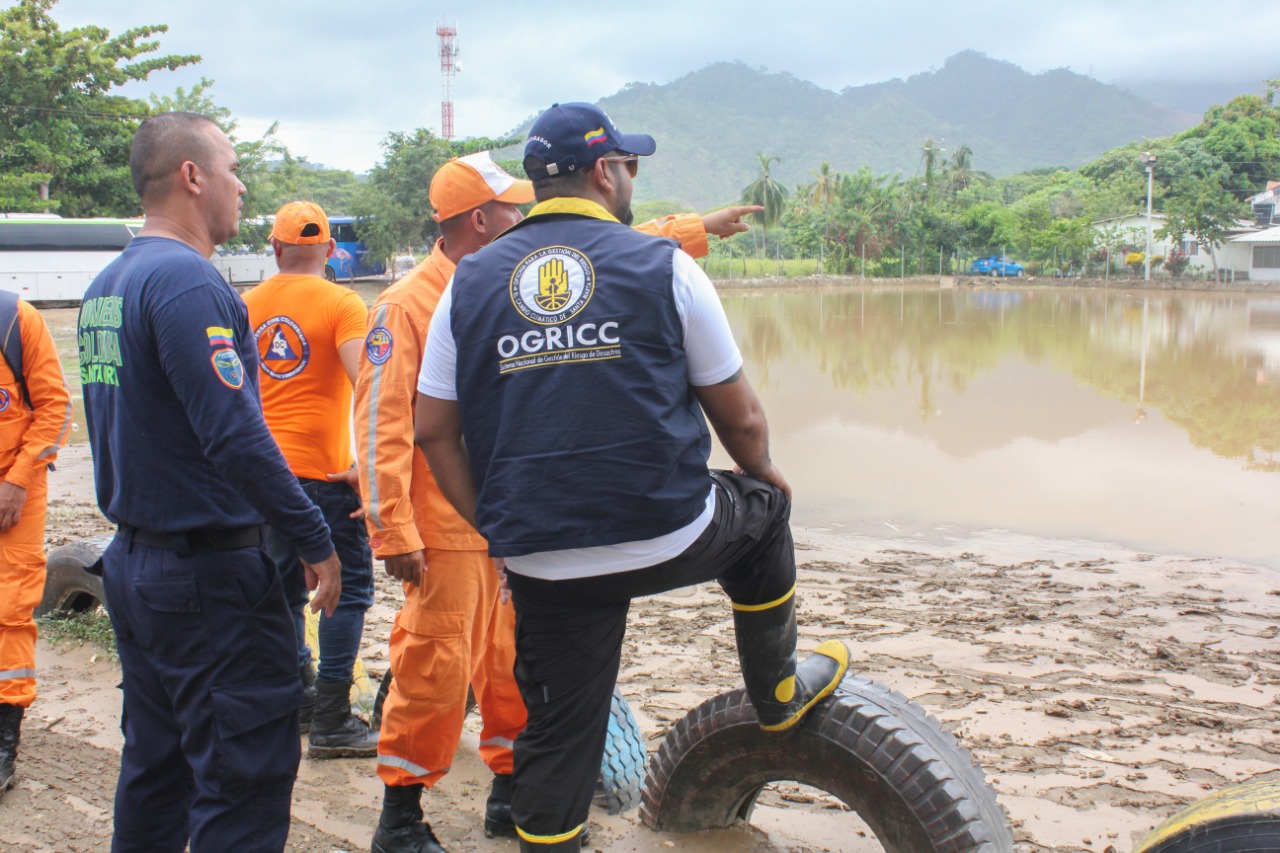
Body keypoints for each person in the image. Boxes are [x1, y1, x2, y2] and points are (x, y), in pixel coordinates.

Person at [413, 103, 849, 853]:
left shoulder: (468, 280)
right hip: (667, 530)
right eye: (629, 164)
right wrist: (767, 476)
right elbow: (739, 419)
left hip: (543, 555)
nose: (631, 177)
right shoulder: (664, 264)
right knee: (764, 511)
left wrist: (499, 528)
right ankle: (776, 692)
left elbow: (432, 432)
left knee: (557, 735)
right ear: (604, 171)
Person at [357, 149, 759, 853]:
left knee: (522, 669)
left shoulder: (518, 280)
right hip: (448, 530)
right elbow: (383, 425)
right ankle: (401, 813)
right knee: (435, 666)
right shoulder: (409, 304)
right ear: (481, 222)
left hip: (520, 521)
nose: (531, 215)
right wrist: (392, 529)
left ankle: (511, 792)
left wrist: (699, 229)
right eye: (517, 207)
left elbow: (612, 251)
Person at [78, 111, 342, 853]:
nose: (241, 184)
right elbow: (233, 435)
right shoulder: (188, 283)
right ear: (191, 176)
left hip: (139, 563)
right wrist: (312, 534)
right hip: (208, 578)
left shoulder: (111, 281)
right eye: (231, 169)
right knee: (242, 777)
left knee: (156, 770)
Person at [243, 201, 378, 759]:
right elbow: (367, 382)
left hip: (257, 477)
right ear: (329, 250)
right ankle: (331, 718)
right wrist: (366, 466)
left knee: (281, 591)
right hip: (325, 476)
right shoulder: (344, 302)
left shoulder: (243, 303)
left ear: (274, 249)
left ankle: (296, 697)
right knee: (344, 592)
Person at [0, 292, 72, 797]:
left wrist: (19, 480)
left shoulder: (15, 321)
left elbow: (55, 407)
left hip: (14, 491)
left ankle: (4, 741)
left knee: (10, 608)